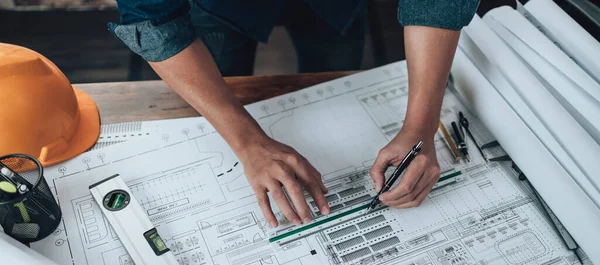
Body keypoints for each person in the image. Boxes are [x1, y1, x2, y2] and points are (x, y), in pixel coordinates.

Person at [109, 0, 479, 228]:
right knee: (223, 75)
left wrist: (421, 125)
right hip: (219, 7)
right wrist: (247, 141)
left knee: (335, 60)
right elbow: (152, 19)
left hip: (332, 6)